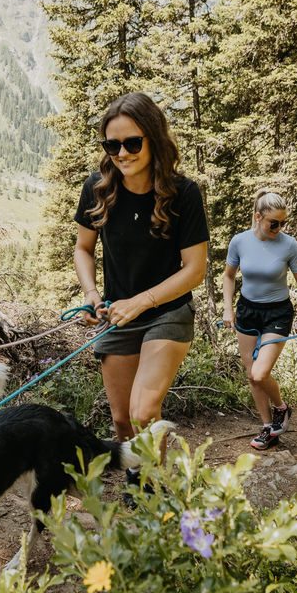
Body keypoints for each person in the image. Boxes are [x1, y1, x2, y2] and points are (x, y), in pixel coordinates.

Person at [73, 93, 210, 448]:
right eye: (112, 145)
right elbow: (83, 249)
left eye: (132, 142)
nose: (122, 154)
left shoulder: (183, 193)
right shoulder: (97, 189)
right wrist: (91, 295)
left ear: (153, 138)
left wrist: (143, 301)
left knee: (143, 411)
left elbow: (195, 270)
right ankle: (141, 488)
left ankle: (156, 495)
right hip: (118, 315)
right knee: (121, 420)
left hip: (168, 312)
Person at [220, 191, 297, 450]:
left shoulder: (289, 245)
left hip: (277, 313)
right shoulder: (239, 242)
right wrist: (227, 310)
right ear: (258, 217)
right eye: (273, 223)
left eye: (282, 223)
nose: (279, 228)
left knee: (260, 372)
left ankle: (281, 409)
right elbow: (229, 276)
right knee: (252, 377)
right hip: (247, 310)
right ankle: (268, 429)